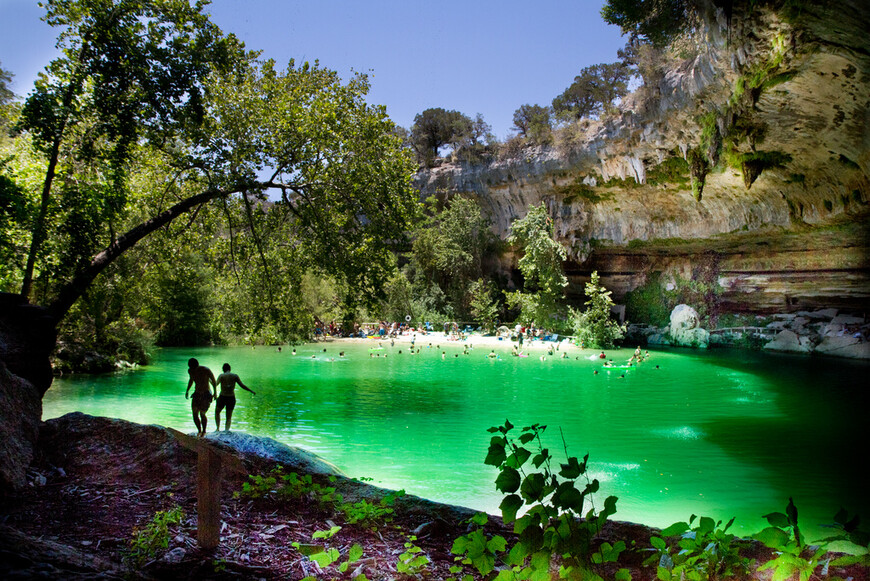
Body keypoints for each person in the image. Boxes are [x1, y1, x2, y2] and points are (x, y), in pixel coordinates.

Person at [214, 363, 256, 432]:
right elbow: (242, 385)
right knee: (229, 416)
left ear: (223, 369)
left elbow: (215, 384)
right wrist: (251, 390)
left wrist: (209, 380)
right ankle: (226, 430)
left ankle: (217, 428)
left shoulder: (221, 376)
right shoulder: (235, 376)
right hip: (231, 397)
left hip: (222, 397)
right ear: (229, 369)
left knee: (217, 412)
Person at [185, 358, 216, 437]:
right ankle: (199, 430)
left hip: (206, 393)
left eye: (194, 368)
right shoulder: (190, 371)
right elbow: (191, 380)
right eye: (191, 367)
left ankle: (204, 431)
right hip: (197, 393)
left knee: (202, 413)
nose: (193, 369)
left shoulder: (206, 370)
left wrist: (215, 393)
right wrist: (187, 390)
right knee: (194, 413)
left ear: (197, 366)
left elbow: (213, 381)